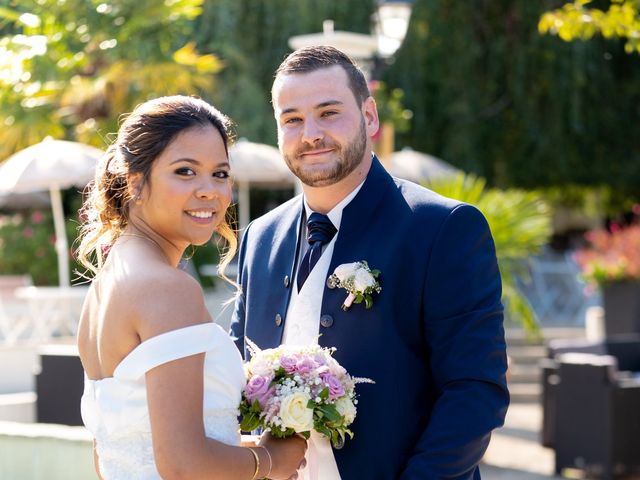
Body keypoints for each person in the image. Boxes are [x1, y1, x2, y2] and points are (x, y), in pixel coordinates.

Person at [229, 46, 509, 479]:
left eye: (328, 112)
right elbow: (235, 377)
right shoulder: (259, 238)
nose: (310, 134)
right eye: (292, 119)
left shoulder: (443, 228)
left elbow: (474, 391)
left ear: (370, 116)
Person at [76, 95, 306, 480]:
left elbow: (117, 451)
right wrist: (272, 461)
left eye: (220, 173)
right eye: (185, 171)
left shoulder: (106, 285)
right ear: (135, 181)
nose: (210, 191)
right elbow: (183, 465)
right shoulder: (166, 287)